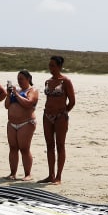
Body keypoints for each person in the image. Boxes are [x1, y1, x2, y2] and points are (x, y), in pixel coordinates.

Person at [40, 55, 76, 184]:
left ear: (60, 67)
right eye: (50, 65)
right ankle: (50, 174)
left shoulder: (65, 81)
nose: (51, 68)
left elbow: (72, 101)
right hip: (47, 116)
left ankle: (58, 176)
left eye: (53, 66)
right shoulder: (48, 82)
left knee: (60, 145)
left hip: (60, 116)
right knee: (49, 145)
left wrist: (64, 112)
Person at [4, 69, 38, 180]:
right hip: (12, 123)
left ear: (28, 79)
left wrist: (17, 95)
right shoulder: (15, 91)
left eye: (21, 79)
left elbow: (29, 103)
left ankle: (27, 174)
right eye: (18, 79)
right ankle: (12, 173)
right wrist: (9, 95)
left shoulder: (32, 90)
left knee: (24, 148)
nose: (19, 81)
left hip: (26, 123)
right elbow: (7, 105)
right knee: (13, 148)